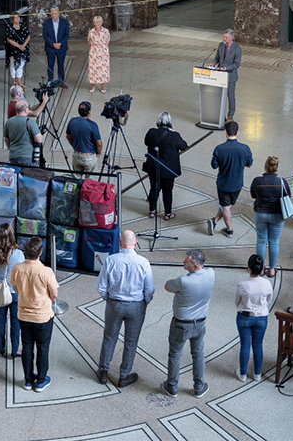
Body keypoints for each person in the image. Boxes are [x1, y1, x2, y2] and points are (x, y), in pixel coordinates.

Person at [95, 229, 153, 387]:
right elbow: (149, 289)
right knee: (131, 341)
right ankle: (124, 376)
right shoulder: (143, 262)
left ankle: (103, 370)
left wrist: (108, 298)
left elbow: (101, 286)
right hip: (136, 305)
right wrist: (144, 303)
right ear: (135, 243)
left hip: (114, 303)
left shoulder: (111, 260)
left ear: (120, 243)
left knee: (109, 337)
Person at [8, 236, 59, 392]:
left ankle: (28, 380)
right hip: (43, 316)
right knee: (43, 348)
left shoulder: (17, 268)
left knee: (27, 347)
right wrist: (46, 301)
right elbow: (54, 293)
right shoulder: (46, 271)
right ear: (40, 252)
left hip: (24, 315)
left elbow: (14, 287)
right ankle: (42, 380)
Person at [162, 249, 215, 398]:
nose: (183, 263)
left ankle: (172, 386)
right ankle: (199, 387)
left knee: (175, 354)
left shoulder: (183, 281)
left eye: (187, 262)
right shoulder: (211, 273)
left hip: (181, 324)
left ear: (196, 265)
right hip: (200, 323)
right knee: (198, 354)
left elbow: (167, 286)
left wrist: (179, 292)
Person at [209, 120, 252, 238]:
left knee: (226, 206)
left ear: (225, 133)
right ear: (237, 133)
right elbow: (249, 164)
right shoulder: (245, 148)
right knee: (227, 205)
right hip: (238, 184)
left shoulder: (219, 149)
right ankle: (215, 221)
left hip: (223, 183)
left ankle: (229, 230)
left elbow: (214, 165)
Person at [248, 156, 288, 278]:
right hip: (277, 215)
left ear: (265, 166)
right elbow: (287, 196)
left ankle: (260, 269)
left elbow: (253, 195)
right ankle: (271, 269)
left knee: (261, 241)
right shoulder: (282, 182)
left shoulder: (257, 181)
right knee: (274, 242)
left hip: (261, 213)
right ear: (277, 168)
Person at [236, 253, 272, 382]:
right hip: (261, 317)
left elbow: (237, 302)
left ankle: (243, 374)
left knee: (245, 345)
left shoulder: (242, 284)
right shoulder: (267, 283)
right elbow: (269, 300)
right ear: (262, 269)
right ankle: (257, 374)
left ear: (249, 268)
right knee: (258, 345)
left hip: (245, 316)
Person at [144, 112, 188, 220]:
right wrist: (174, 133)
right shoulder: (174, 135)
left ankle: (152, 211)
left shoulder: (151, 132)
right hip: (168, 170)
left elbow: (146, 142)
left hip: (153, 167)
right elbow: (183, 146)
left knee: (154, 188)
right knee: (167, 191)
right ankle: (168, 214)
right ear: (169, 123)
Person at [0, 224, 25, 359]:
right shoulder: (17, 254)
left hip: (0, 290)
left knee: (0, 319)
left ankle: (1, 347)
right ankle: (15, 349)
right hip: (14, 292)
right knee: (15, 321)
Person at [66, 102, 103, 174]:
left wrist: (74, 146)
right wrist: (98, 152)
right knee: (90, 182)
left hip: (76, 155)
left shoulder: (72, 121)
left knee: (77, 179)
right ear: (89, 112)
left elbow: (68, 136)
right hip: (89, 157)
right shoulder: (92, 125)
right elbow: (99, 143)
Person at [3, 100, 43, 167]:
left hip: (13, 156)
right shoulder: (29, 122)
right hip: (27, 157)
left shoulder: (9, 122)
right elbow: (39, 140)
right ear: (25, 110)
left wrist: (11, 148)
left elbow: (6, 139)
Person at [42, 6, 70, 87]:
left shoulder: (64, 22)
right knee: (50, 65)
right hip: (50, 48)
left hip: (61, 48)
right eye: (52, 14)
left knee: (61, 65)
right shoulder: (47, 23)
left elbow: (67, 35)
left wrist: (60, 43)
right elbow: (45, 36)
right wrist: (53, 44)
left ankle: (61, 81)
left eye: (55, 13)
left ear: (58, 14)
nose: (54, 15)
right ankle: (50, 80)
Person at [5, 12, 31, 90]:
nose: (18, 19)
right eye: (16, 17)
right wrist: (19, 46)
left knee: (21, 65)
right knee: (13, 65)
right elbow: (9, 39)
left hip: (23, 48)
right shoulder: (9, 27)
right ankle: (14, 81)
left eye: (18, 17)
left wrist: (23, 45)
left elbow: (28, 36)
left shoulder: (23, 26)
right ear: (12, 19)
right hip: (13, 49)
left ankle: (19, 81)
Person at [87, 15, 110, 94]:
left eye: (97, 22)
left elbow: (107, 41)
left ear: (101, 22)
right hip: (94, 52)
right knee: (93, 69)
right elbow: (89, 42)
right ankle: (92, 85)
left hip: (103, 53)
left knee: (103, 69)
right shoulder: (91, 32)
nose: (96, 24)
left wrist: (102, 48)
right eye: (94, 22)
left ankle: (102, 85)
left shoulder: (105, 31)